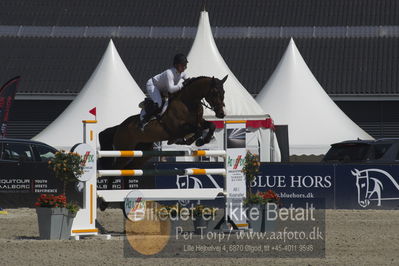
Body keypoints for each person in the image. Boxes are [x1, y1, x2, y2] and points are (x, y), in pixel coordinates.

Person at [139, 53, 189, 130]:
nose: (185, 67)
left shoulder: (182, 73)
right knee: (159, 103)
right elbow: (171, 89)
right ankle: (144, 120)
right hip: (153, 85)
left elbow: (189, 80)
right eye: (183, 65)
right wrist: (182, 85)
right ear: (176, 65)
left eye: (185, 65)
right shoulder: (169, 73)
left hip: (163, 88)